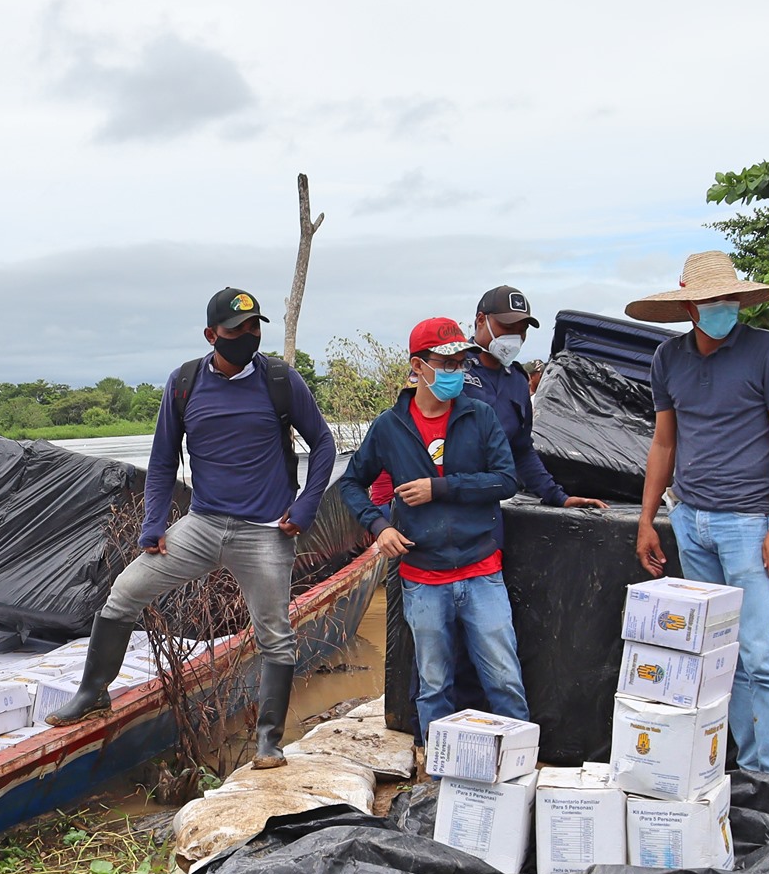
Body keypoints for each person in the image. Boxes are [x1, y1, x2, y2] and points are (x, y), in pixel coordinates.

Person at [44, 288, 336, 770]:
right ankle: (93, 693)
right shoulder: (185, 383)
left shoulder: (280, 380)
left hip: (266, 531)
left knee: (274, 634)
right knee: (123, 591)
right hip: (201, 525)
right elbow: (161, 462)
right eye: (237, 329)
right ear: (211, 335)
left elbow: (323, 445)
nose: (250, 336)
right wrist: (154, 523)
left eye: (255, 326)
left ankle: (268, 741)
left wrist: (305, 507)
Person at [625, 252, 769, 778]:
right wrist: (647, 518)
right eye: (711, 301)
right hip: (692, 520)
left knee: (761, 657)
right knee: (718, 656)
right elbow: (663, 442)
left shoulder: (768, 350)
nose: (723, 308)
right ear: (690, 307)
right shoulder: (669, 358)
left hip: (750, 522)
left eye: (730, 299)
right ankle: (740, 771)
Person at [336, 317, 527, 740]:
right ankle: (437, 779)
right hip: (422, 576)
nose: (456, 372)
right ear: (418, 367)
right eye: (446, 363)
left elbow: (507, 480)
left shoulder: (481, 417)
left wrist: (439, 488)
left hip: (481, 569)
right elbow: (350, 483)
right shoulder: (389, 427)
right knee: (433, 685)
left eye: (461, 363)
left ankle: (520, 772)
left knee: (504, 680)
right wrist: (378, 526)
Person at [466, 285, 607, 511]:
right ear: (481, 320)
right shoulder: (451, 372)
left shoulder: (517, 381)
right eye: (507, 326)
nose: (515, 337)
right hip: (444, 501)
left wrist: (557, 496)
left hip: (488, 508)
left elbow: (521, 450)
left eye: (521, 330)